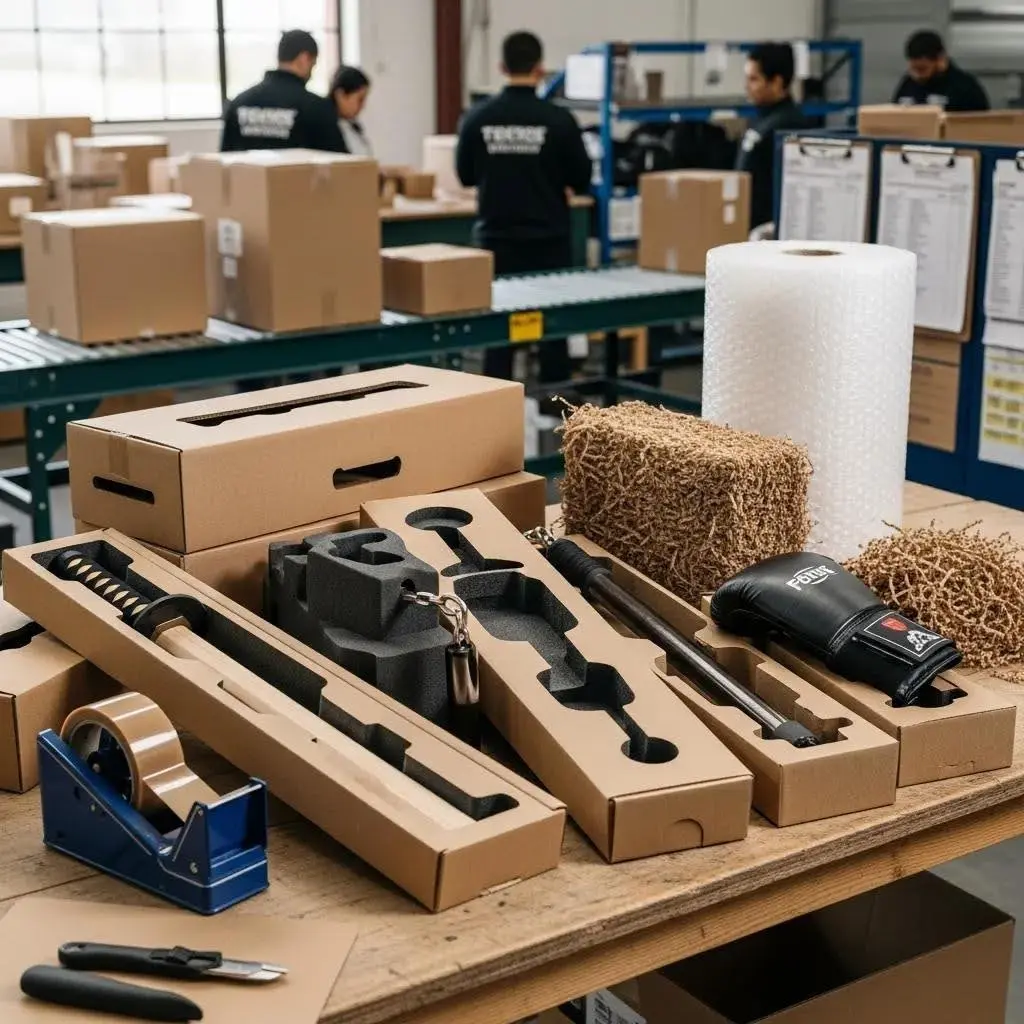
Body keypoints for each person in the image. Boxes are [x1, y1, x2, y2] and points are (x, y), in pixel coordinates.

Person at [456, 30, 592, 383]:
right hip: (547, 242)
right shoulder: (559, 121)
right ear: (540, 69)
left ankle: (495, 405)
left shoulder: (477, 118)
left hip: (497, 242)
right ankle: (555, 408)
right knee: (551, 329)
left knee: (498, 333)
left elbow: (465, 176)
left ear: (502, 66)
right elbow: (581, 178)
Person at [221, 29, 345, 152]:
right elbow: (342, 165)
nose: (311, 74)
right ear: (303, 59)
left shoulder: (238, 104)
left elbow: (224, 163)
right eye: (313, 65)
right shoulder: (317, 108)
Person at [736, 42, 807, 232]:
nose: (747, 86)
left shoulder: (789, 126)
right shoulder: (759, 119)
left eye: (754, 79)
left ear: (776, 82)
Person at [892, 30, 989, 112]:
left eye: (922, 69)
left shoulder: (965, 87)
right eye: (913, 69)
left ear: (940, 60)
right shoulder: (908, 84)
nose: (917, 75)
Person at [329, 66, 373, 156]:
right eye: (360, 99)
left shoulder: (353, 127)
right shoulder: (327, 128)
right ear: (340, 95)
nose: (363, 106)